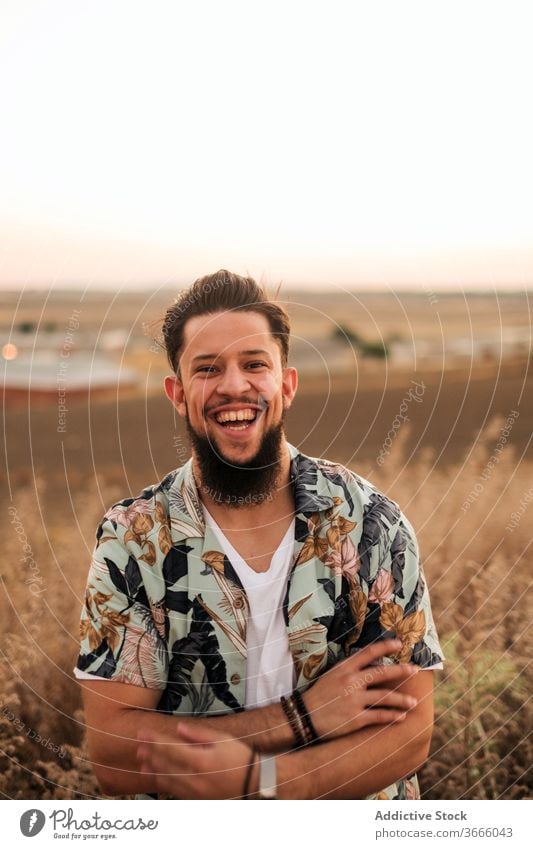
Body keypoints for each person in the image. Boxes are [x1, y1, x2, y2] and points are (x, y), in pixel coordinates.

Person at [76, 270, 444, 800]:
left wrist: (267, 786)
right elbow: (114, 754)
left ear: (286, 384)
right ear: (178, 394)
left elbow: (409, 733)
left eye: (254, 364)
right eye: (208, 368)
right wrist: (300, 719)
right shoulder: (133, 542)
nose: (233, 385)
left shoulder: (370, 522)